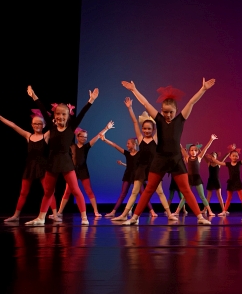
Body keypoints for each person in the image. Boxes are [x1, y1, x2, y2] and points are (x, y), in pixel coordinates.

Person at [119, 79, 216, 225]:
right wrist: (134, 90)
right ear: (161, 111)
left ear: (176, 111)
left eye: (171, 112)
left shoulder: (180, 120)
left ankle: (200, 218)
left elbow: (191, 102)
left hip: (176, 160)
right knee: (149, 189)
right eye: (165, 112)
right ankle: (134, 218)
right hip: (160, 159)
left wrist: (203, 89)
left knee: (186, 190)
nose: (168, 114)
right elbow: (145, 103)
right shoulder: (159, 120)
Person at [24, 85, 98, 225]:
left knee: (75, 190)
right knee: (48, 192)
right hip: (52, 162)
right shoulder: (52, 126)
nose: (60, 116)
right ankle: (41, 218)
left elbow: (82, 113)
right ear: (54, 115)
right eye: (58, 114)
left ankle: (84, 217)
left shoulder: (71, 127)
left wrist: (91, 100)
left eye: (64, 114)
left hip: (66, 162)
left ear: (68, 116)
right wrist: (33, 95)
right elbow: (41, 108)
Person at [0, 107, 57, 222]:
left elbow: (55, 126)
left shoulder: (46, 136)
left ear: (43, 125)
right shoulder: (28, 136)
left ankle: (55, 215)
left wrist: (61, 115)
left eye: (39, 123)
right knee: (23, 192)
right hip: (30, 167)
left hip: (43, 167)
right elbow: (13, 125)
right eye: (35, 123)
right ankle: (16, 215)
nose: (37, 125)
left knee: (48, 191)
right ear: (32, 125)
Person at [57, 122, 113, 218]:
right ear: (77, 137)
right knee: (67, 192)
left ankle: (96, 211)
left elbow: (97, 136)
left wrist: (106, 128)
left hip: (83, 170)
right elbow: (63, 137)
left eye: (85, 137)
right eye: (82, 136)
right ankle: (59, 212)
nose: (84, 138)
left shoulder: (86, 147)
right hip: (72, 171)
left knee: (89, 191)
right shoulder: (72, 146)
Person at [173, 136, 217, 217]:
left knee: (202, 196)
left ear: (197, 151)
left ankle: (210, 211)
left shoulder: (199, 158)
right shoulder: (187, 158)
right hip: (189, 179)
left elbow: (205, 148)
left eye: (195, 150)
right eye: (192, 150)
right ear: (189, 151)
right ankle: (177, 212)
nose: (193, 152)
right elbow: (181, 148)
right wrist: (176, 138)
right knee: (185, 196)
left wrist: (211, 139)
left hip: (197, 179)